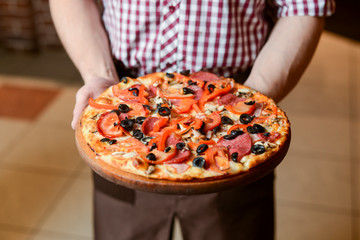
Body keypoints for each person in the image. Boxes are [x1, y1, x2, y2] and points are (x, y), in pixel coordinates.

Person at [50, 1, 335, 239]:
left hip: (235, 109)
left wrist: (252, 100)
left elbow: (304, 5)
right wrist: (100, 76)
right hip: (125, 115)